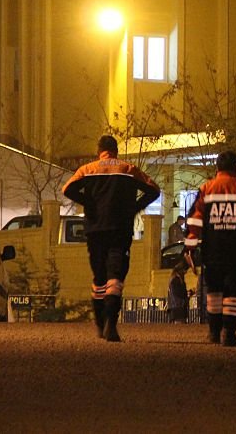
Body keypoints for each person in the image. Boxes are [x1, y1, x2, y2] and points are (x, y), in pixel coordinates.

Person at [63, 134, 160, 342]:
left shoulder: (87, 169)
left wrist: (88, 202)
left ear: (99, 151)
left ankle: (99, 323)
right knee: (115, 276)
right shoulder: (128, 169)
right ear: (116, 151)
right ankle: (111, 324)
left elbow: (67, 189)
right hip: (120, 230)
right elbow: (154, 189)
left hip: (94, 231)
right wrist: (135, 207)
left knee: (99, 278)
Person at [183, 150, 236, 346]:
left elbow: (194, 221)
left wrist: (190, 248)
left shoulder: (206, 189)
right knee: (234, 290)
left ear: (217, 168)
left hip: (212, 249)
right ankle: (229, 332)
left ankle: (213, 331)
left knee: (214, 291)